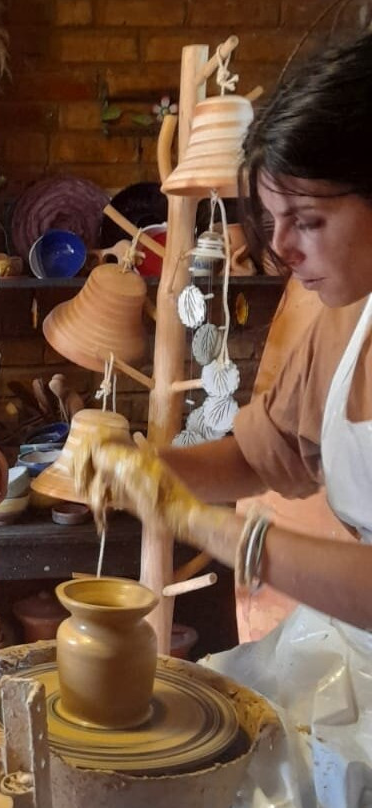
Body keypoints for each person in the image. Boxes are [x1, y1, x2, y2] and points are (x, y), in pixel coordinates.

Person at [75, 32, 372, 807]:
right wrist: (148, 468)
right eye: (271, 217)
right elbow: (263, 455)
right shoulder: (347, 319)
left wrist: (220, 534)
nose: (278, 249)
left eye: (306, 219)